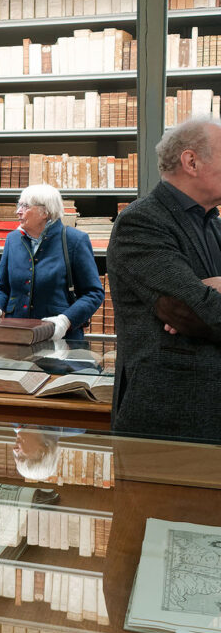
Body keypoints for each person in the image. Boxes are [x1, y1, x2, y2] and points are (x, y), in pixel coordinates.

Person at [107, 117, 221, 443]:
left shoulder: (214, 225)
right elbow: (195, 310)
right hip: (169, 420)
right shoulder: (142, 222)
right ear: (191, 161)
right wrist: (203, 297)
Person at [0, 183, 104, 341]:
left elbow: (94, 293)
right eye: (19, 205)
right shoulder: (12, 239)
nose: (18, 211)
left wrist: (66, 320)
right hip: (17, 335)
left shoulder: (74, 240)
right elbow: (1, 286)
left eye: (25, 206)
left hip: (59, 338)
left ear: (45, 212)